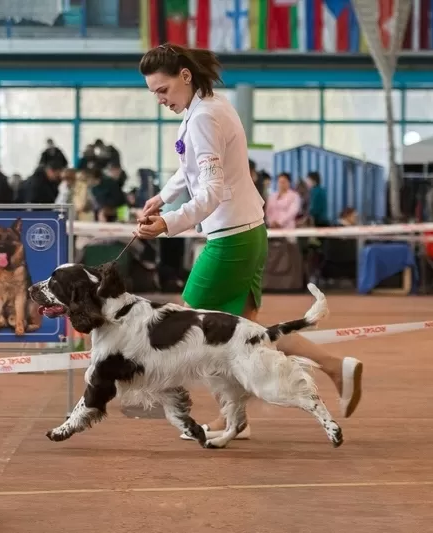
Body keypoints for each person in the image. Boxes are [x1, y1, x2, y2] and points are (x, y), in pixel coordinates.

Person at [134, 43, 363, 441]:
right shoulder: (210, 106)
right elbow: (190, 167)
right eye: (154, 92)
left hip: (230, 241)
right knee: (246, 334)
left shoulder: (204, 117)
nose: (160, 100)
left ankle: (222, 414)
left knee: (194, 331)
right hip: (248, 232)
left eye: (163, 90)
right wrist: (164, 196)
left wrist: (169, 223)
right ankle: (330, 367)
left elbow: (210, 190)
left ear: (185, 76)